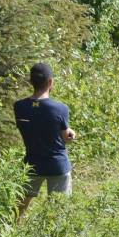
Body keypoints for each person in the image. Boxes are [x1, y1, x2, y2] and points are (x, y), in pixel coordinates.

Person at [14, 63, 75, 218]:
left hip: (32, 164)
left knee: (18, 209)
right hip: (57, 165)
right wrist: (70, 135)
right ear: (50, 82)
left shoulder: (19, 106)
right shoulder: (60, 108)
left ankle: (12, 233)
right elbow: (65, 137)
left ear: (31, 82)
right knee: (57, 212)